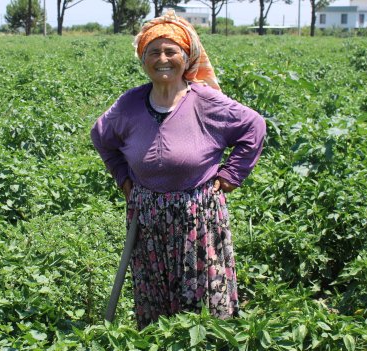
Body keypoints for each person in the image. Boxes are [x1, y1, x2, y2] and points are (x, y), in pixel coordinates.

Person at [90, 11, 266, 329]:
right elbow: (101, 136)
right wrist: (123, 178)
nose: (163, 59)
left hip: (198, 215)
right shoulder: (129, 104)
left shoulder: (206, 101)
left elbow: (254, 127)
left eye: (171, 51)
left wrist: (231, 175)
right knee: (155, 303)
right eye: (153, 52)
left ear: (185, 58)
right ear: (143, 59)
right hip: (148, 216)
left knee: (203, 309)